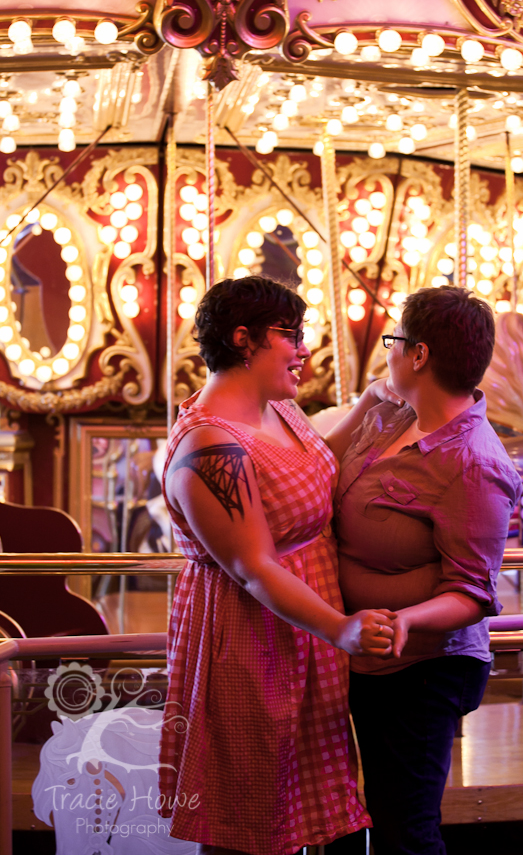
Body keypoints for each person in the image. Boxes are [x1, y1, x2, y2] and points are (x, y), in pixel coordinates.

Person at [158, 276, 395, 855]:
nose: (305, 348)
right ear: (243, 339)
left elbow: (314, 472)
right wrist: (340, 628)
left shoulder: (281, 410)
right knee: (251, 812)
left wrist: (376, 401)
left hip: (303, 629)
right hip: (251, 637)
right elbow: (252, 567)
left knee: (306, 806)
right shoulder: (209, 445)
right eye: (291, 335)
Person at [327, 286, 522, 855]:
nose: (387, 352)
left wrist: (408, 622)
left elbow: (471, 591)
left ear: (418, 355)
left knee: (404, 828)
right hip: (358, 651)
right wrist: (367, 401)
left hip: (422, 667)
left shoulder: (476, 463)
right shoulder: (392, 419)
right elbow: (320, 467)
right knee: (349, 816)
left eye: (394, 341)